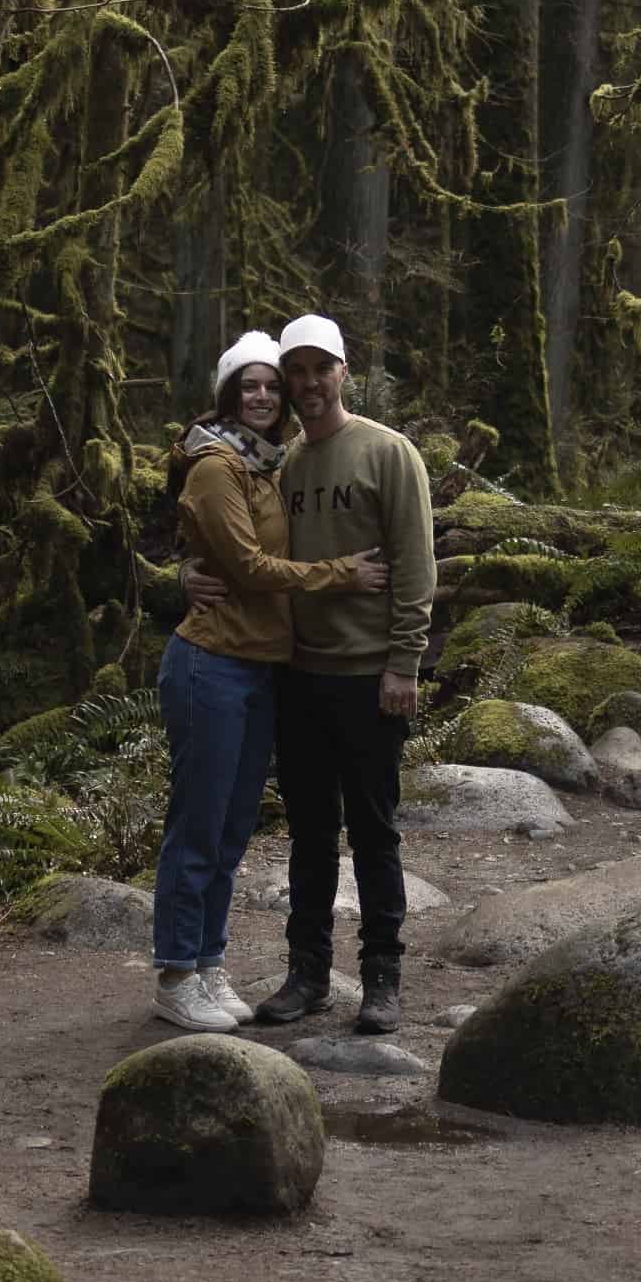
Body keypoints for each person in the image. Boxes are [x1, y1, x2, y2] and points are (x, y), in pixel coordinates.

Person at [151, 331, 390, 1033]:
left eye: (269, 386)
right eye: (247, 385)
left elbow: (216, 554)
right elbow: (250, 567)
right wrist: (343, 572)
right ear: (228, 392)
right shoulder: (217, 465)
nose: (261, 396)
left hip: (260, 669)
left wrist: (183, 569)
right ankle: (174, 973)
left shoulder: (269, 466)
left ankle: (208, 963)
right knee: (198, 824)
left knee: (230, 830)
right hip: (212, 665)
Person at [244, 312, 436, 1035]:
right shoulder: (286, 463)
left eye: (321, 368)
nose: (309, 383)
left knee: (376, 832)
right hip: (299, 675)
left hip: (369, 677)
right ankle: (308, 974)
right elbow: (253, 552)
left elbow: (416, 564)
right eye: (297, 371)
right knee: (310, 834)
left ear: (343, 372)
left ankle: (382, 979)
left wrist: (404, 663)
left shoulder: (388, 454)